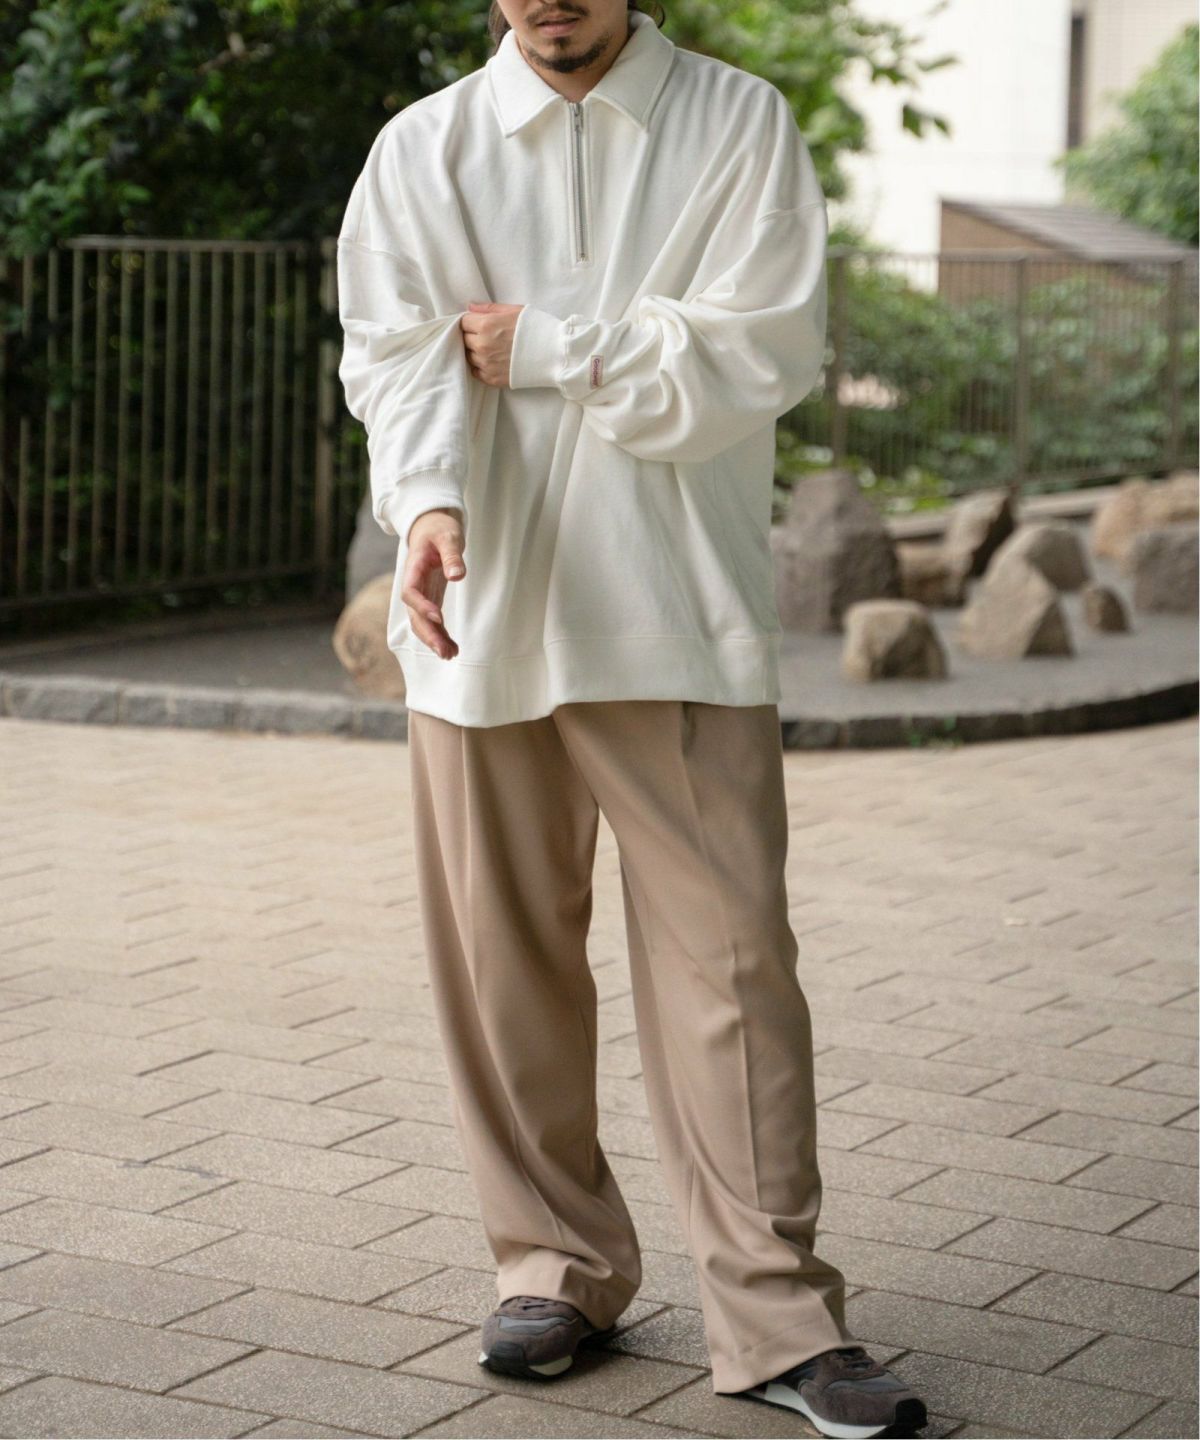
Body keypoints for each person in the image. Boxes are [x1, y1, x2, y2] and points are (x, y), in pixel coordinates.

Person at [336, 4, 928, 1436]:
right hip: (478, 617)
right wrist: (427, 504)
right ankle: (556, 1266)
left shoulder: (738, 124)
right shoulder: (423, 148)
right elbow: (396, 356)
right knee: (501, 964)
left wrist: (549, 346)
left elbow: (756, 353)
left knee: (732, 967)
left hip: (676, 612)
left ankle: (776, 1314)